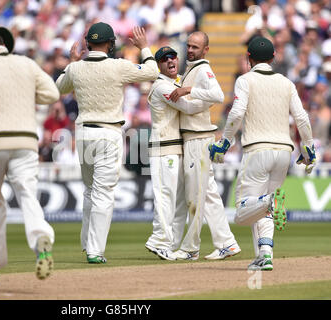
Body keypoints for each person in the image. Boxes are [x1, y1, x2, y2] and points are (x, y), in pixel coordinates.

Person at [209, 36, 316, 270]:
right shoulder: (286, 82)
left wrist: (225, 142)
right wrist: (308, 148)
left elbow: (236, 113)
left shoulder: (245, 80)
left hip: (257, 150)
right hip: (284, 152)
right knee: (260, 207)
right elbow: (301, 117)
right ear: (273, 58)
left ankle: (270, 201)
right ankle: (265, 255)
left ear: (249, 59)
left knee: (242, 211)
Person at [0, 26, 60, 286]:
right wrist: (27, 96)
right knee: (28, 193)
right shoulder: (26, 63)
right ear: (3, 44)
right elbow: (52, 93)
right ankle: (41, 239)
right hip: (25, 140)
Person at [56, 22, 159, 263]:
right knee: (103, 194)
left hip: (83, 134)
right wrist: (144, 47)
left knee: (91, 191)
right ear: (110, 44)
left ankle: (87, 243)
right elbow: (152, 72)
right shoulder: (118, 66)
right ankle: (94, 251)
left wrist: (72, 63)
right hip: (108, 135)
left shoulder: (76, 68)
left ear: (88, 43)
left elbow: (60, 88)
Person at [168, 31, 240, 260]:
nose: (190, 50)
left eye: (195, 47)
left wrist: (188, 91)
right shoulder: (192, 68)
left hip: (198, 140)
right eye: (188, 46)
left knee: (195, 197)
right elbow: (202, 101)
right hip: (194, 137)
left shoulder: (203, 69)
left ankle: (191, 248)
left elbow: (218, 95)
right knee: (207, 195)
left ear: (205, 50)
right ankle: (227, 243)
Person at [144, 46, 211, 260]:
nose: (170, 61)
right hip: (164, 148)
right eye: (165, 59)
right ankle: (159, 241)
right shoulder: (163, 86)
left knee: (180, 200)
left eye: (173, 57)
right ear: (159, 65)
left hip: (176, 147)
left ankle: (171, 243)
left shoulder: (176, 82)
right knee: (165, 196)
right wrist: (211, 98)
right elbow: (188, 108)